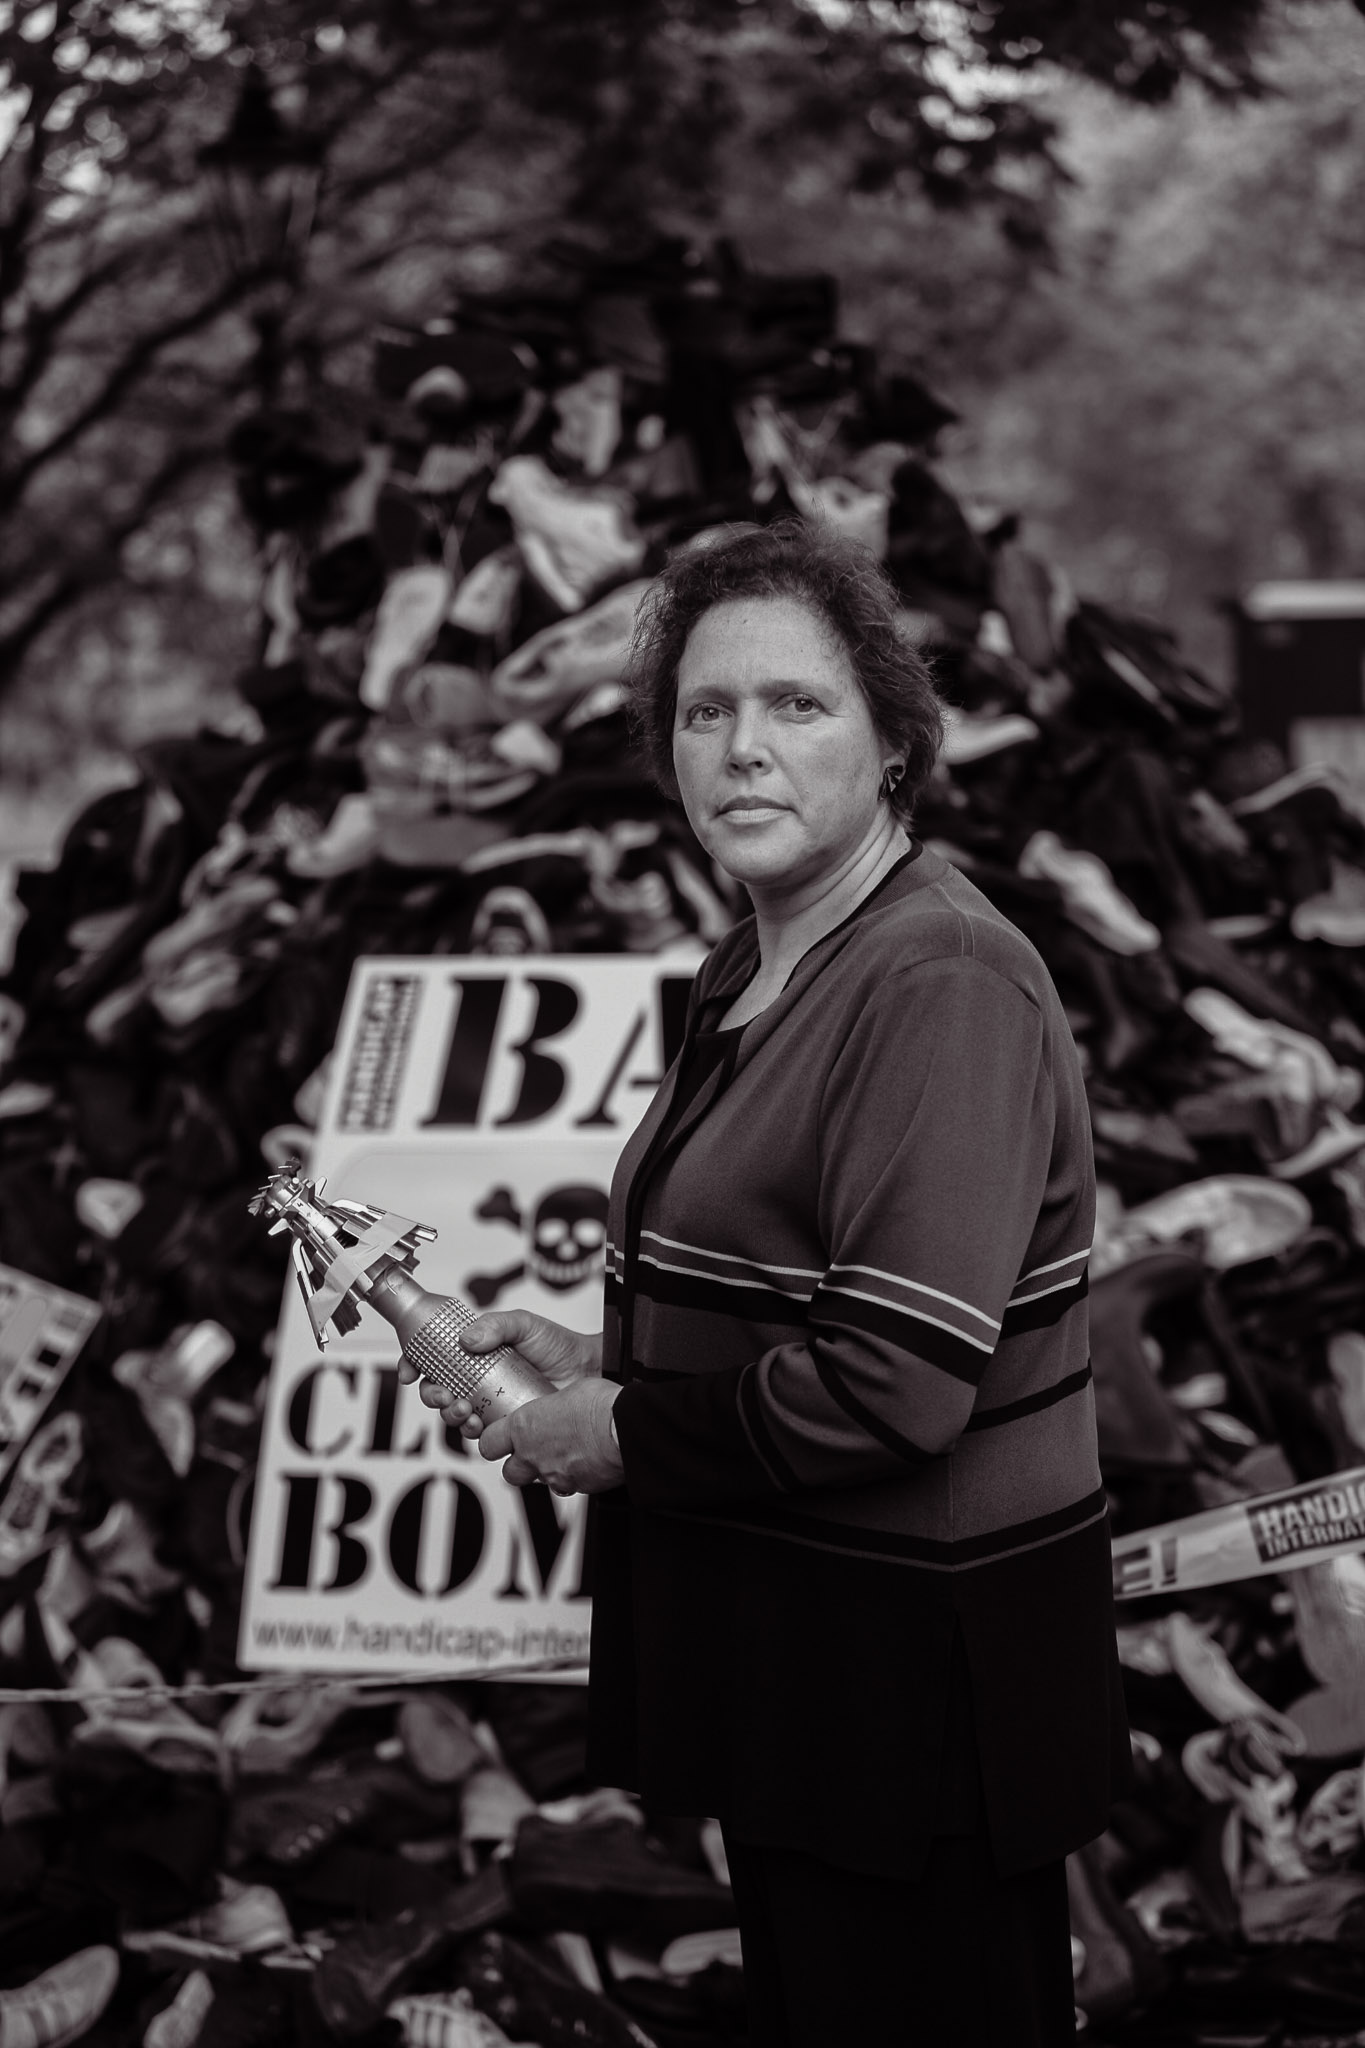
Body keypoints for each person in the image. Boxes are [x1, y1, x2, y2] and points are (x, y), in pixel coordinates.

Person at [403, 522, 1131, 2047]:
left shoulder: (937, 982)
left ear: (892, 745)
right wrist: (595, 1348)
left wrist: (618, 1433)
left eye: (796, 706)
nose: (743, 750)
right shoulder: (760, 964)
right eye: (703, 711)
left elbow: (895, 1383)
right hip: (797, 1672)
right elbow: (805, 1285)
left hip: (914, 1699)